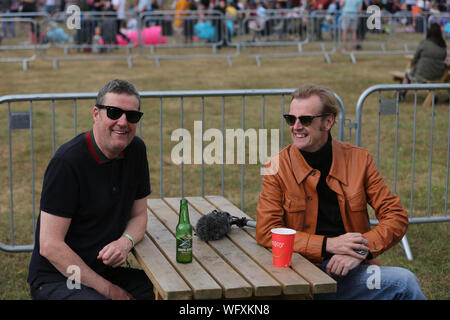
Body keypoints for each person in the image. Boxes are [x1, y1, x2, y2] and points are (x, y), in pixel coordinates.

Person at [255, 84, 427, 300]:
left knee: (405, 282)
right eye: (291, 119)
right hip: (295, 274)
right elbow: (267, 231)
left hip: (349, 270)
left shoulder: (359, 160)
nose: (296, 127)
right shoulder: (275, 166)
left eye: (305, 120)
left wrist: (361, 251)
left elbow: (396, 216)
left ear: (328, 121)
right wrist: (328, 245)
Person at [27, 79, 154, 300]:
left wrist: (125, 243)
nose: (123, 122)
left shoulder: (136, 150)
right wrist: (109, 290)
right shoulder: (67, 162)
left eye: (132, 116)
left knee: (166, 293)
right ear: (96, 114)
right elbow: (50, 245)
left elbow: (139, 215)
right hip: (59, 276)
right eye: (114, 112)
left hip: (103, 271)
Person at [399, 22, 447, 101]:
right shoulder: (443, 46)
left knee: (407, 76)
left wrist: (415, 64)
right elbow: (443, 58)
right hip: (438, 74)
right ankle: (432, 96)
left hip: (422, 73)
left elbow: (415, 57)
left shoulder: (424, 43)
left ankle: (402, 94)